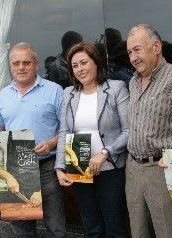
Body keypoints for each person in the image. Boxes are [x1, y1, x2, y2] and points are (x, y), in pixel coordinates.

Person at [0, 42, 66, 237]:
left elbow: (67, 129)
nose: (21, 67)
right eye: (16, 63)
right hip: (15, 169)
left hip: (47, 168)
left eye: (26, 62)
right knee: (22, 231)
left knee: (56, 228)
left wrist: (50, 144)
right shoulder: (4, 95)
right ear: (11, 66)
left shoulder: (54, 90)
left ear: (36, 65)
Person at [54, 42, 130, 237]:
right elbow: (64, 132)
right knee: (91, 226)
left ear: (96, 62)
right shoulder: (68, 93)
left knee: (114, 226)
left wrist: (105, 153)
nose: (80, 69)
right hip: (80, 170)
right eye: (75, 65)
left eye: (84, 62)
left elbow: (129, 130)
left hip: (110, 169)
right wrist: (60, 167)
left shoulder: (115, 88)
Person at [125, 23, 172, 238]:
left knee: (168, 232)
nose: (133, 57)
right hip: (133, 168)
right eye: (129, 52)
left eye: (137, 49)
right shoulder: (133, 81)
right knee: (138, 231)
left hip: (162, 170)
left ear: (156, 47)